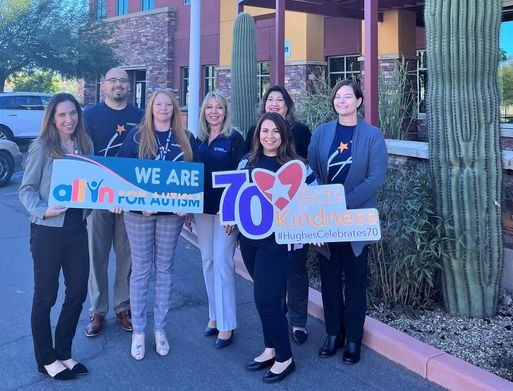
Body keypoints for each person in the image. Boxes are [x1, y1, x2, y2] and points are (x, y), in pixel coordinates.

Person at [307, 79, 388, 364]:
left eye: (347, 97)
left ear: (359, 101)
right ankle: (333, 334)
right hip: (325, 219)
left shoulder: (372, 135)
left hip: (355, 220)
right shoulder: (321, 132)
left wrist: (343, 201)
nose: (341, 101)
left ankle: (353, 339)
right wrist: (323, 204)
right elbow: (312, 171)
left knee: (354, 281)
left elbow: (376, 177)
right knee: (329, 279)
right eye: (337, 97)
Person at [117, 90, 199, 360]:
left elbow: (193, 176)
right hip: (138, 213)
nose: (163, 108)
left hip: (170, 216)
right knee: (141, 270)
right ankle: (139, 331)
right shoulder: (137, 136)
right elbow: (121, 172)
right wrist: (129, 200)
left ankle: (159, 329)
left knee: (165, 269)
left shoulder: (185, 139)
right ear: (150, 108)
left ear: (174, 109)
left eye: (168, 104)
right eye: (158, 104)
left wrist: (187, 208)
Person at [19, 93, 94, 380]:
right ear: (52, 118)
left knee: (77, 292)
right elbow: (26, 190)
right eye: (62, 114)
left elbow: (94, 186)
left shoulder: (86, 145)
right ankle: (45, 358)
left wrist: (108, 199)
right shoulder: (42, 147)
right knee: (45, 296)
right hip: (48, 230)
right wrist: (43, 210)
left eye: (73, 113)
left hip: (77, 228)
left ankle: (63, 351)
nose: (68, 119)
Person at [238, 112, 316, 383]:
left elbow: (314, 200)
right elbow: (234, 199)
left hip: (279, 243)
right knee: (264, 298)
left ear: (284, 136)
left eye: (275, 131)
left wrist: (315, 229)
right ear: (258, 134)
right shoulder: (245, 163)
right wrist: (228, 221)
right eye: (264, 130)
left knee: (267, 299)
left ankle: (285, 357)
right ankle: (269, 348)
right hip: (249, 242)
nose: (269, 136)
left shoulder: (297, 166)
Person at [245, 85, 312, 345]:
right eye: (269, 99)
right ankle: (276, 329)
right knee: (267, 290)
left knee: (295, 270)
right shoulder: (250, 158)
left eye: (279, 100)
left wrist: (315, 226)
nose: (274, 103)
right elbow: (241, 189)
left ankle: (297, 322)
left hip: (291, 225)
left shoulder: (300, 140)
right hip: (261, 233)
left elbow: (308, 185)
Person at [83, 67, 144, 337]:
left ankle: (123, 306)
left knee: (126, 255)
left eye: (122, 81)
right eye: (112, 81)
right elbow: (81, 154)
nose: (118, 85)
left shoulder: (140, 117)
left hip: (129, 197)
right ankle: (97, 310)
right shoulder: (89, 115)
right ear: (104, 85)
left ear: (128, 86)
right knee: (96, 255)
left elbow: (146, 154)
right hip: (98, 196)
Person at [193, 91, 246, 348]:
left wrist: (234, 213)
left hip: (226, 212)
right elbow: (191, 175)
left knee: (223, 262)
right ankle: (214, 315)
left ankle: (227, 324)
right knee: (208, 261)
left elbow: (242, 176)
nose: (214, 111)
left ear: (226, 111)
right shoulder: (198, 139)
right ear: (204, 111)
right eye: (209, 107)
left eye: (219, 107)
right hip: (201, 210)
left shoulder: (235, 139)